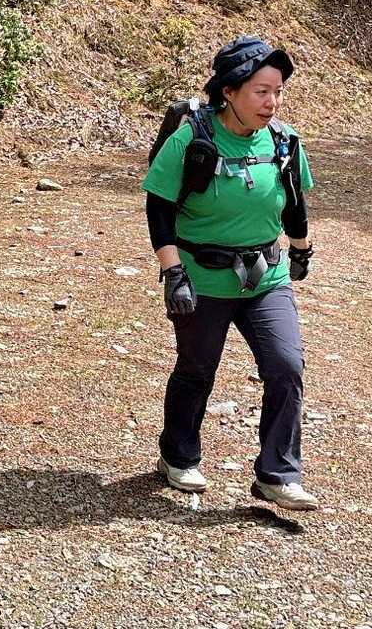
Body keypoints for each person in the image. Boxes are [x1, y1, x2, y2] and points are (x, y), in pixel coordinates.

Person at [142, 35, 319, 511]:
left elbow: (294, 202)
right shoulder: (192, 139)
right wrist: (172, 271)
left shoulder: (285, 141)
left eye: (277, 91)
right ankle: (177, 456)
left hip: (265, 276)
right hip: (202, 275)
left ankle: (278, 476)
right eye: (261, 91)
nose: (271, 102)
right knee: (197, 368)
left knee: (286, 366)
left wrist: (301, 249)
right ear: (229, 91)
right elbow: (159, 207)